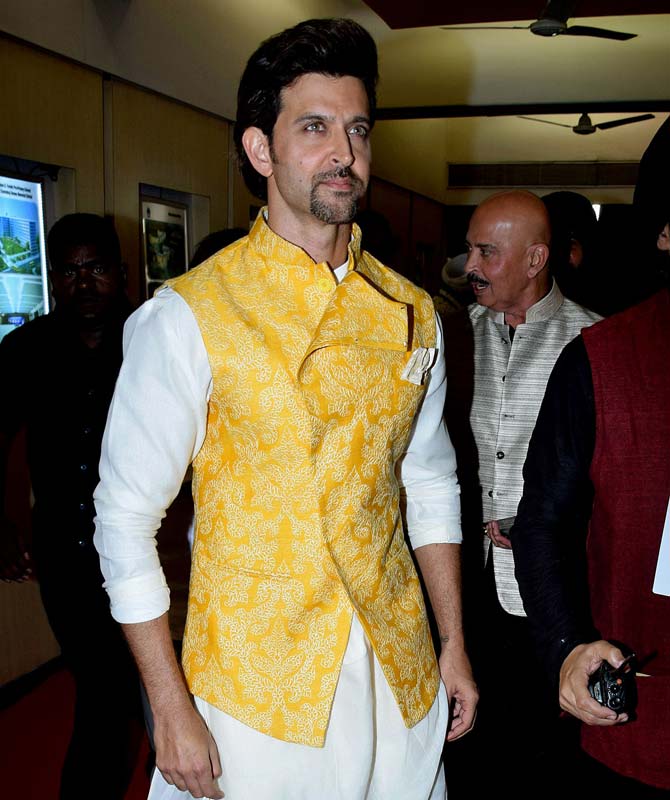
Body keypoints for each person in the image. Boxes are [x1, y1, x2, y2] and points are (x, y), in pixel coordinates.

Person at [94, 18, 477, 800]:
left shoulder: (412, 313)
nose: (345, 153)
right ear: (260, 150)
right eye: (314, 127)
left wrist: (454, 643)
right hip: (254, 691)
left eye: (357, 129)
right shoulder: (190, 314)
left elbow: (432, 485)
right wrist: (168, 705)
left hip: (395, 673)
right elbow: (124, 519)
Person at [512, 153, 670, 798]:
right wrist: (566, 642)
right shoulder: (600, 360)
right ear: (665, 230)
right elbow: (543, 523)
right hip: (639, 719)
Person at [443, 190, 601, 797]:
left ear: (535, 259)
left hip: (550, 590)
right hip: (463, 586)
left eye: (486, 251)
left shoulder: (594, 343)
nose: (470, 265)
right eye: (469, 248)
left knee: (544, 759)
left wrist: (551, 521)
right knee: (469, 750)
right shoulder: (454, 339)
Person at [0, 213, 142, 799]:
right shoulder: (24, 350)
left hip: (148, 552)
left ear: (121, 270)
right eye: (70, 271)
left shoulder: (152, 338)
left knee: (116, 693)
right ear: (55, 278)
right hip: (66, 555)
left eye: (97, 268)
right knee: (105, 687)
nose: (85, 282)